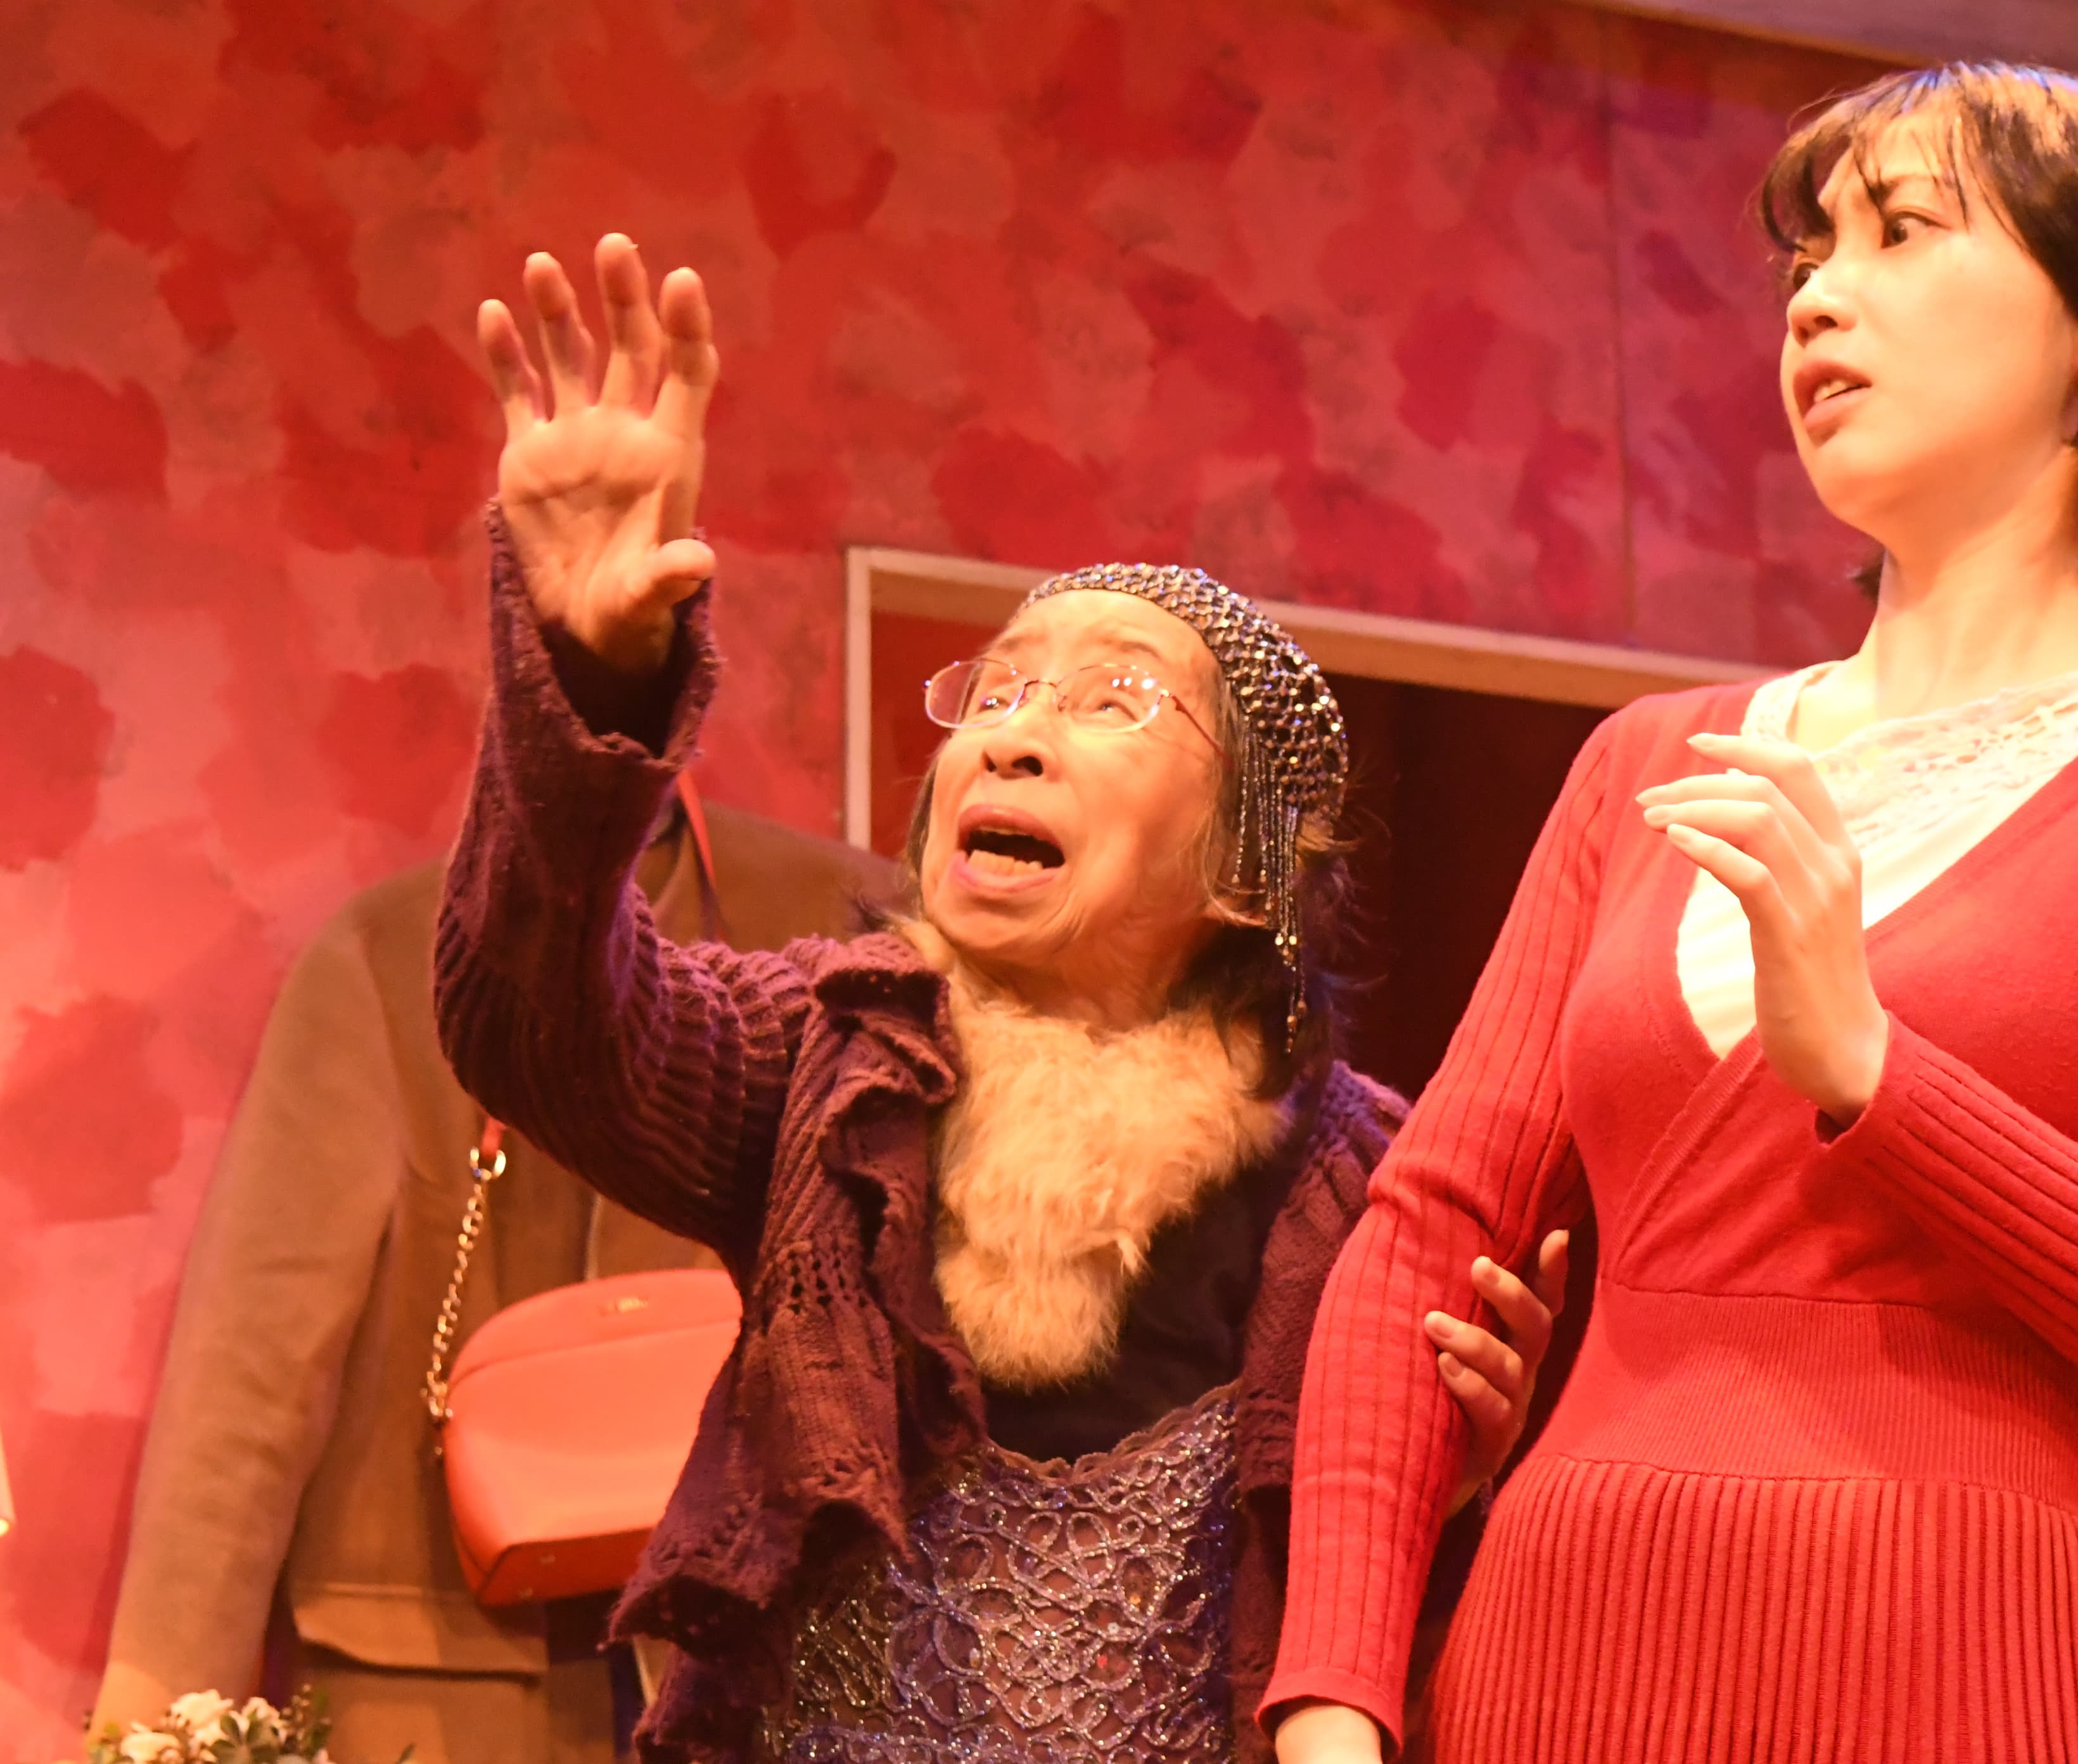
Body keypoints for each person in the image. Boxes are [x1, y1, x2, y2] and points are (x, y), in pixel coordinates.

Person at [1266, 62, 2078, 1764]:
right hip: (1549, 1664)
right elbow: (1426, 1241)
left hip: (1939, 1669)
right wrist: (1335, 1704)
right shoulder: (1649, 763)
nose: (1814, 300)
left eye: (1902, 231)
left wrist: (1875, 1073)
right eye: (1807, 261)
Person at [431, 234, 1567, 1764]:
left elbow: (1433, 1622)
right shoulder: (825, 1054)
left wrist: (1472, 1481)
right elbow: (534, 1027)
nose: (1014, 735)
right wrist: (590, 672)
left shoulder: (1375, 1187)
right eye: (1002, 690)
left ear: (1249, 868)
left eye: (1113, 703)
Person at [94, 777, 892, 1764]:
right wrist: (165, 1719)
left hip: (764, 1664)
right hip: (448, 1674)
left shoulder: (864, 927)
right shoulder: (385, 958)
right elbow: (253, 1363)